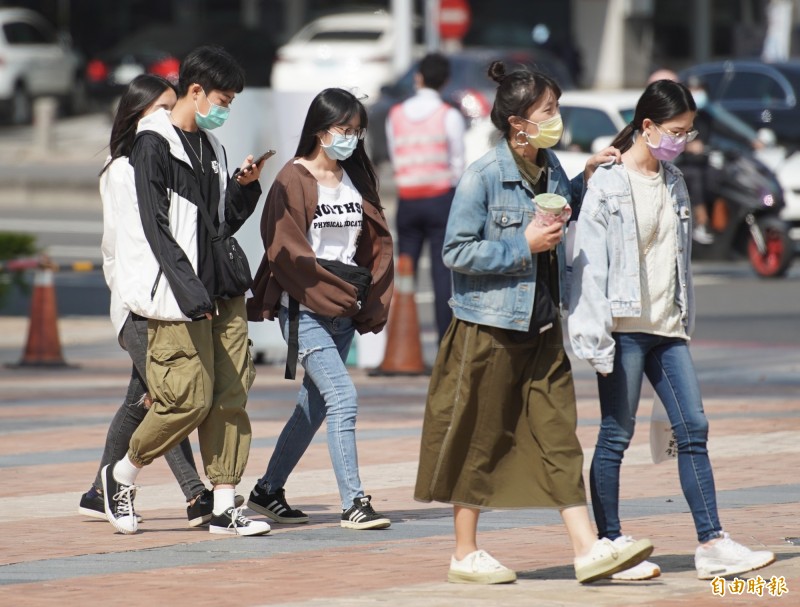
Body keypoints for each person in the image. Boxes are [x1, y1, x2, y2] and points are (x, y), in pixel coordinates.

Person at [414, 61, 654, 585]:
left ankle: (587, 547)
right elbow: (455, 251)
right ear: (517, 121)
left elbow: (562, 209)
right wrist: (520, 246)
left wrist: (586, 177)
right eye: (549, 111)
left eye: (556, 109)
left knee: (558, 435)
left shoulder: (549, 168)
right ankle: (464, 551)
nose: (557, 119)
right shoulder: (482, 175)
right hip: (489, 330)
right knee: (482, 435)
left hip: (543, 327)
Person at [568, 79, 777, 581]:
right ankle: (611, 543)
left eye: (688, 132)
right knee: (616, 434)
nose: (682, 141)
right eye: (675, 131)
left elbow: (676, 258)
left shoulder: (675, 179)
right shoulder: (609, 184)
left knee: (693, 429)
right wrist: (592, 335)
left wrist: (684, 318)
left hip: (667, 326)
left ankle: (712, 543)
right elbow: (588, 264)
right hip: (623, 329)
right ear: (647, 126)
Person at [100, 45, 270, 537]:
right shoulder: (152, 144)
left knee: (230, 396)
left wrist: (246, 189)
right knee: (186, 400)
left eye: (232, 100)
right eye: (222, 98)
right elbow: (157, 230)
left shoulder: (212, 148)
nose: (226, 109)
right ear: (195, 91)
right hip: (177, 297)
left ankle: (224, 504)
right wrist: (190, 294)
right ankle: (122, 474)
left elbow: (218, 226)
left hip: (223, 290)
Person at [83, 74, 231, 528]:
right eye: (161, 109)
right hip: (142, 303)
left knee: (143, 399)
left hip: (166, 301)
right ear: (139, 113)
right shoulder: (126, 168)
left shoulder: (163, 160)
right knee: (174, 399)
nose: (169, 118)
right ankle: (195, 495)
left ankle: (98, 489)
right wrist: (140, 299)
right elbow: (132, 246)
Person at [246, 88, 394, 530]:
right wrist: (325, 288)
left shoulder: (357, 177)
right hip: (305, 310)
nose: (351, 138)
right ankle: (354, 502)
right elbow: (282, 249)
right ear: (320, 129)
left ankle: (267, 490)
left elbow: (375, 243)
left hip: (345, 307)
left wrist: (368, 297)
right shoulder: (292, 178)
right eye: (343, 130)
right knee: (343, 397)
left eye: (357, 131)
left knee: (314, 407)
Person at [385, 52, 465, 340]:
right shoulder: (449, 115)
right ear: (445, 80)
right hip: (440, 199)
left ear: (418, 77)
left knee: (403, 273)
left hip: (407, 199)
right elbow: (458, 163)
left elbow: (395, 156)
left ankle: (399, 345)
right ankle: (445, 343)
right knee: (442, 274)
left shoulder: (395, 115)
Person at [679, 75, 765, 245]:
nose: (697, 94)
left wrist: (750, 141)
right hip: (684, 165)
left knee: (719, 176)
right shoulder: (681, 116)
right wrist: (687, 146)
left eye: (700, 90)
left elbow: (727, 130)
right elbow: (670, 138)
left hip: (705, 162)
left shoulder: (705, 116)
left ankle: (720, 221)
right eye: (693, 90)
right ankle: (701, 222)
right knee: (696, 177)